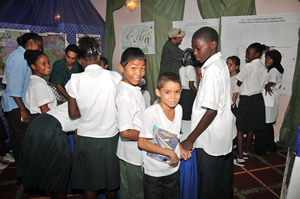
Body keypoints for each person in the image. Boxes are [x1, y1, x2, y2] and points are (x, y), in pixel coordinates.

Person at [181, 27, 236, 199]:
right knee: (223, 182)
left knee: (208, 186)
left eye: (198, 48)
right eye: (194, 48)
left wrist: (190, 139)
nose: (195, 53)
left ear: (212, 45)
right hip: (221, 134)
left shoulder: (212, 70)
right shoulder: (218, 64)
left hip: (210, 139)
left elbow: (211, 110)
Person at [66, 35, 122, 199]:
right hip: (109, 137)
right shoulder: (114, 77)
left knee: (89, 182)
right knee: (110, 181)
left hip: (86, 138)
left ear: (80, 61)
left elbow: (72, 113)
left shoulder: (75, 79)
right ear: (98, 57)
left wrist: (88, 109)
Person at [17, 50, 77, 199]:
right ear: (33, 66)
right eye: (43, 64)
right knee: (56, 168)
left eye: (48, 62)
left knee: (47, 167)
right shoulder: (40, 85)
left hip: (39, 124)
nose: (48, 66)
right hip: (46, 125)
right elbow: (45, 110)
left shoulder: (37, 82)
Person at [138, 72, 191, 199]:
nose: (173, 97)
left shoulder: (179, 109)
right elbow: (142, 142)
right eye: (167, 92)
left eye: (177, 92)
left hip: (172, 169)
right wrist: (170, 153)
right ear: (158, 92)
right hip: (154, 172)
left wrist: (180, 148)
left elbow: (175, 134)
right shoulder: (152, 112)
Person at [1, 33, 43, 161]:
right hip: (17, 106)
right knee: (23, 141)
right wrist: (23, 110)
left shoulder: (21, 56)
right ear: (31, 43)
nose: (40, 50)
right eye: (39, 46)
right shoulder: (20, 57)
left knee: (19, 140)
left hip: (18, 105)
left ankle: (22, 172)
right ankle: (26, 173)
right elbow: (14, 88)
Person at [116, 47, 146, 199]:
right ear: (122, 67)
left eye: (142, 68)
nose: (138, 73)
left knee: (127, 191)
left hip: (127, 152)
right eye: (133, 68)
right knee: (138, 193)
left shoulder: (129, 87)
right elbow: (125, 132)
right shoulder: (125, 95)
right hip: (133, 154)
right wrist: (151, 135)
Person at [234, 43, 267, 166]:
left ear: (257, 54)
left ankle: (240, 157)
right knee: (251, 127)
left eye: (249, 53)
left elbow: (238, 82)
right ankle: (246, 152)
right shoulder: (263, 67)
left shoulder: (248, 66)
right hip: (258, 98)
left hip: (247, 99)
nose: (246, 55)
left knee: (239, 128)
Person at [252, 49, 283, 156]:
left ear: (275, 60)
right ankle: (271, 147)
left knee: (262, 126)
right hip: (272, 101)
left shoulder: (273, 70)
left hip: (268, 101)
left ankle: (260, 150)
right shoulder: (277, 69)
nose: (266, 60)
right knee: (268, 127)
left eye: (269, 58)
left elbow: (272, 82)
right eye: (266, 58)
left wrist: (266, 85)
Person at [179, 48, 198, 121]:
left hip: (183, 93)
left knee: (184, 115)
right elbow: (191, 85)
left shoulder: (181, 68)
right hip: (190, 93)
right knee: (189, 115)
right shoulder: (192, 69)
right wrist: (198, 94)